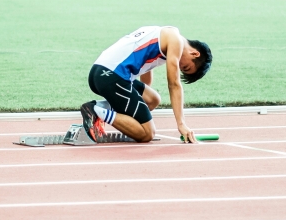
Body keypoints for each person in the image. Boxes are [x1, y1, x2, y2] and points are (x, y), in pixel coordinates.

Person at [81, 26, 212, 144]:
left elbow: (147, 68)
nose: (180, 67)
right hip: (111, 76)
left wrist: (137, 102)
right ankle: (96, 111)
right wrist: (181, 124)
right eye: (186, 67)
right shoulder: (175, 41)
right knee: (147, 134)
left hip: (100, 72)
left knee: (153, 99)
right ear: (195, 53)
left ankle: (101, 107)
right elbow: (174, 84)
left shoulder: (164, 34)